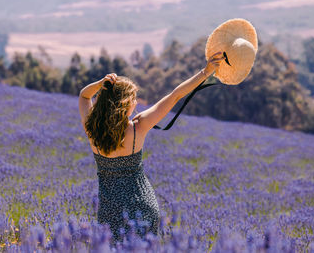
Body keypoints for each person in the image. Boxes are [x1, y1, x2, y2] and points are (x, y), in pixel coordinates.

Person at [78, 51, 225, 245]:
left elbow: (84, 96)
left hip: (109, 210)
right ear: (124, 105)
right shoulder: (138, 127)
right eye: (133, 99)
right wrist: (205, 72)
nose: (136, 103)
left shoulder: (92, 130)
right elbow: (175, 96)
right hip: (142, 206)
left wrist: (100, 84)